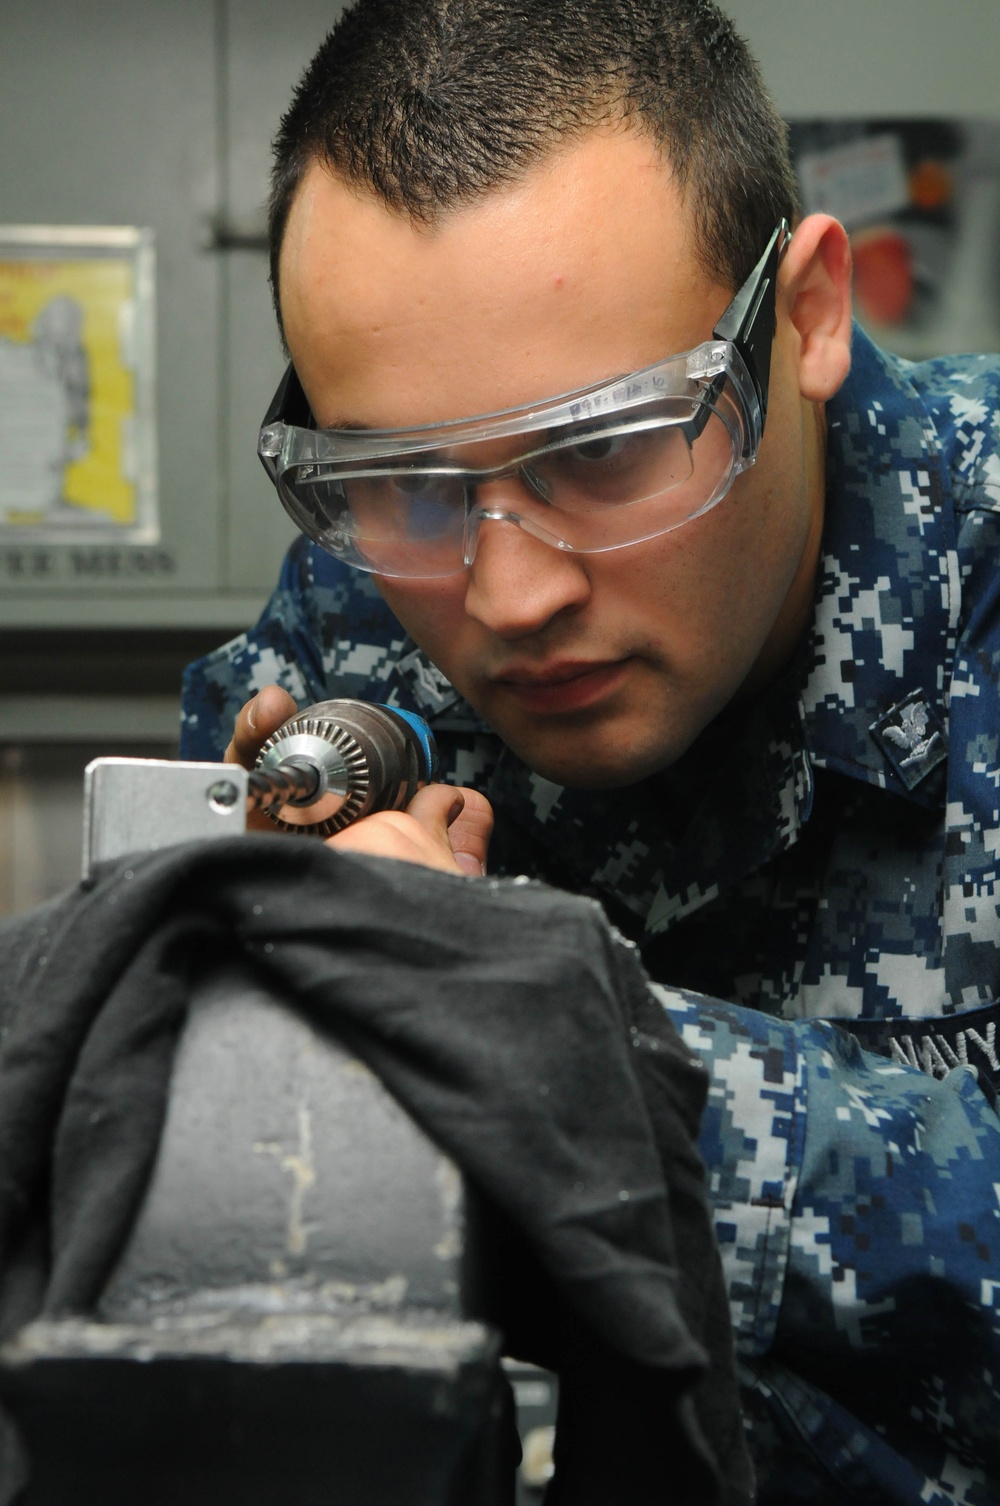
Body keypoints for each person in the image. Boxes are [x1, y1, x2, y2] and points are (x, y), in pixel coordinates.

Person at [180, 2, 1000, 1500]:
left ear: (805, 316)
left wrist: (567, 1054)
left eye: (609, 446)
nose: (508, 593)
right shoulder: (345, 632)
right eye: (403, 481)